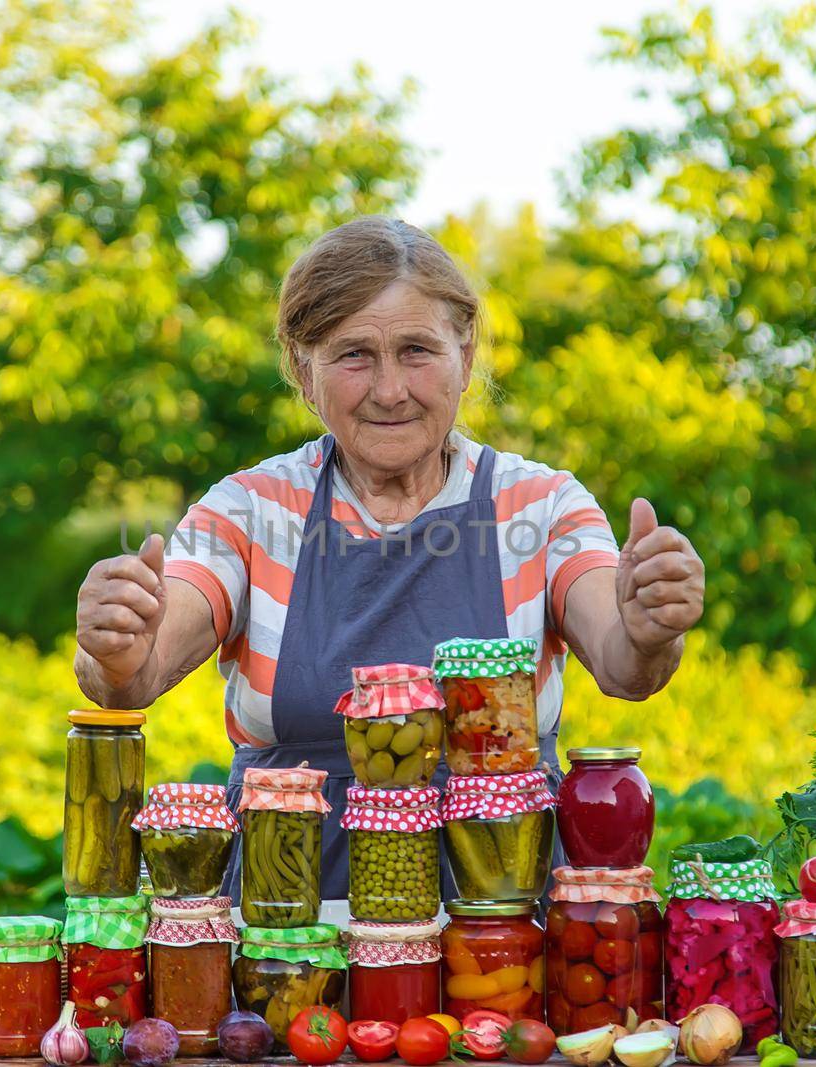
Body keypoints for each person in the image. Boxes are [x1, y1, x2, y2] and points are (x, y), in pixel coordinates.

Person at [74, 215, 705, 899]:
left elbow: (623, 663)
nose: (389, 389)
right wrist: (118, 645)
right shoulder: (251, 510)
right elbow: (137, 670)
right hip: (289, 937)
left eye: (416, 350)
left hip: (502, 934)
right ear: (304, 373)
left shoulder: (541, 506)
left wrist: (649, 627)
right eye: (353, 356)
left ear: (464, 357)